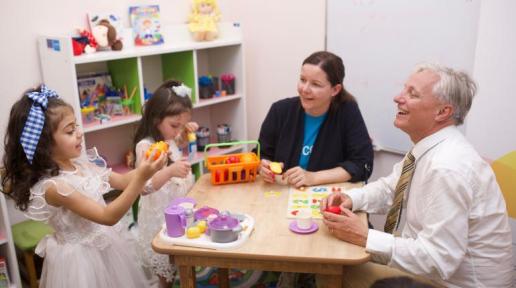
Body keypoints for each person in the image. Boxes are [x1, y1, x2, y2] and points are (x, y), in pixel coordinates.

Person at [321, 64, 513, 287]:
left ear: (443, 112)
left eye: (412, 94)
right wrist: (352, 199)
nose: (397, 98)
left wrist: (365, 236)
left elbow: (438, 259)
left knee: (335, 270)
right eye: (404, 90)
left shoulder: (446, 167)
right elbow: (391, 189)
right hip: (435, 275)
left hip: (450, 283)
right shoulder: (428, 148)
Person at [1, 85, 166, 288]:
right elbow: (108, 216)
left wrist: (147, 164)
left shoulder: (81, 164)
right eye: (70, 131)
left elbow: (122, 181)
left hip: (106, 247)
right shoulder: (55, 187)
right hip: (80, 263)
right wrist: (142, 176)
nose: (79, 133)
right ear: (44, 145)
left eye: (76, 126)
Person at [258, 51, 374, 188]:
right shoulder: (280, 110)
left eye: (316, 84)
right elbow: (261, 154)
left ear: (335, 90)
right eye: (302, 80)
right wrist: (262, 166)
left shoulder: (347, 112)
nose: (305, 89)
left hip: (326, 197)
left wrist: (313, 177)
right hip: (282, 194)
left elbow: (362, 164)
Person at [132, 80, 198, 288]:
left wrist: (183, 137)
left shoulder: (168, 139)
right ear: (155, 119)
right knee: (165, 275)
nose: (177, 131)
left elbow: (174, 146)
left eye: (181, 125)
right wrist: (169, 172)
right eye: (174, 126)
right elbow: (144, 186)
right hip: (158, 220)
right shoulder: (145, 146)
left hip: (175, 214)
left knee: (179, 263)